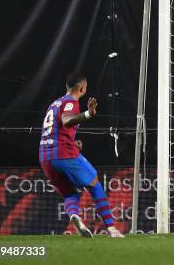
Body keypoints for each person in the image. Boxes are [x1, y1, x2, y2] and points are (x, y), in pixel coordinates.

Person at [39, 72, 124, 238]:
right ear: (82, 89)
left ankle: (74, 216)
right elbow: (66, 120)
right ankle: (112, 229)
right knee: (94, 183)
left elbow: (56, 129)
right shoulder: (71, 102)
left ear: (66, 86)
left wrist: (73, 141)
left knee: (71, 193)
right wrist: (88, 114)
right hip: (63, 153)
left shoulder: (54, 104)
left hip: (45, 157)